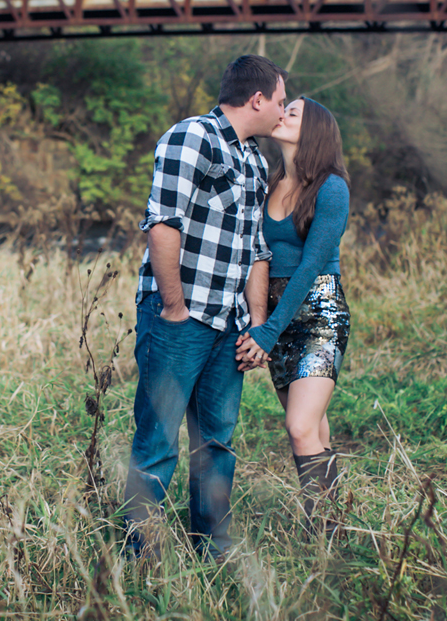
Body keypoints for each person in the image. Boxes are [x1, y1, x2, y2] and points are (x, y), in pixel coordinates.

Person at [123, 54, 287, 561]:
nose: (283, 111)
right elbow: (162, 224)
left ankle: (212, 550)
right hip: (180, 319)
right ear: (256, 99)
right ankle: (139, 556)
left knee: (216, 443)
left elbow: (257, 249)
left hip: (229, 326)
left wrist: (257, 324)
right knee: (158, 443)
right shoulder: (192, 136)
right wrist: (174, 308)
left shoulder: (255, 160)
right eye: (280, 101)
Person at [234, 96, 351, 535]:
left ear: (314, 129)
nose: (281, 114)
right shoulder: (270, 182)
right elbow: (257, 255)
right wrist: (260, 322)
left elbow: (310, 266)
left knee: (299, 425)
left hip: (319, 313)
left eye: (293, 112)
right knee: (312, 428)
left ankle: (320, 531)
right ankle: (335, 526)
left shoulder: (331, 188)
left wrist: (267, 333)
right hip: (277, 319)